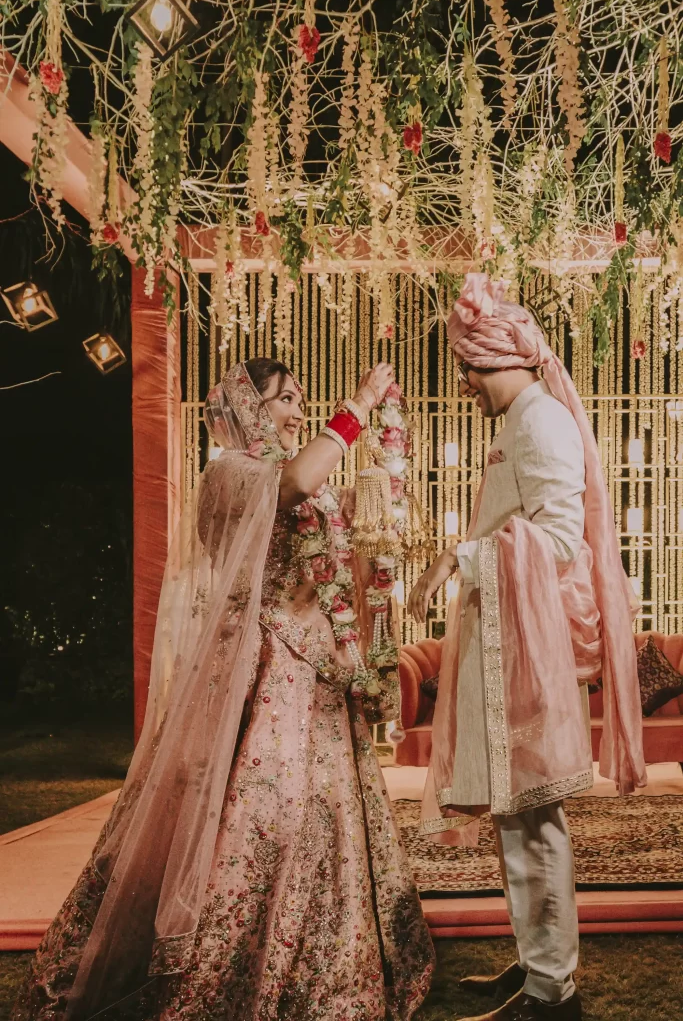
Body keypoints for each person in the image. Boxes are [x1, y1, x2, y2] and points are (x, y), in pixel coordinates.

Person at [14, 358, 434, 1021]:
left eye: (301, 399)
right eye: (284, 400)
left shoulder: (287, 472)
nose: (297, 412)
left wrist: (377, 495)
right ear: (245, 407)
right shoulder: (229, 472)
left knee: (323, 818)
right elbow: (294, 484)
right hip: (256, 672)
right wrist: (356, 407)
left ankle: (320, 964)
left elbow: (326, 531)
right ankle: (220, 967)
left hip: (314, 669)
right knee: (260, 816)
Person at [408, 274, 645, 1021]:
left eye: (471, 367)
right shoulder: (516, 422)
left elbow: (556, 542)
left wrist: (461, 557)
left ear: (504, 360)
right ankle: (538, 967)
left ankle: (553, 993)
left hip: (528, 656)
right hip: (506, 648)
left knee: (535, 819)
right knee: (518, 818)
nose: (464, 381)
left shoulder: (540, 424)